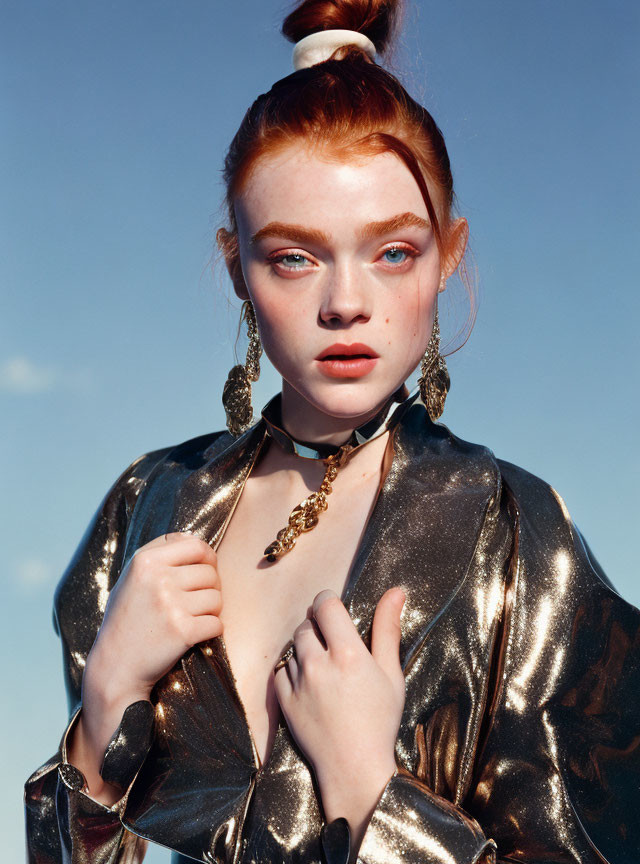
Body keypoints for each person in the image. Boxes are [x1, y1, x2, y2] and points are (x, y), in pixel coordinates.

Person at [24, 1, 640, 862]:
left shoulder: (519, 541)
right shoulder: (152, 502)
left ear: (448, 254)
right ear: (237, 265)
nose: (346, 302)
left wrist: (370, 795)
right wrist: (100, 721)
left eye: (392, 251)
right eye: (294, 256)